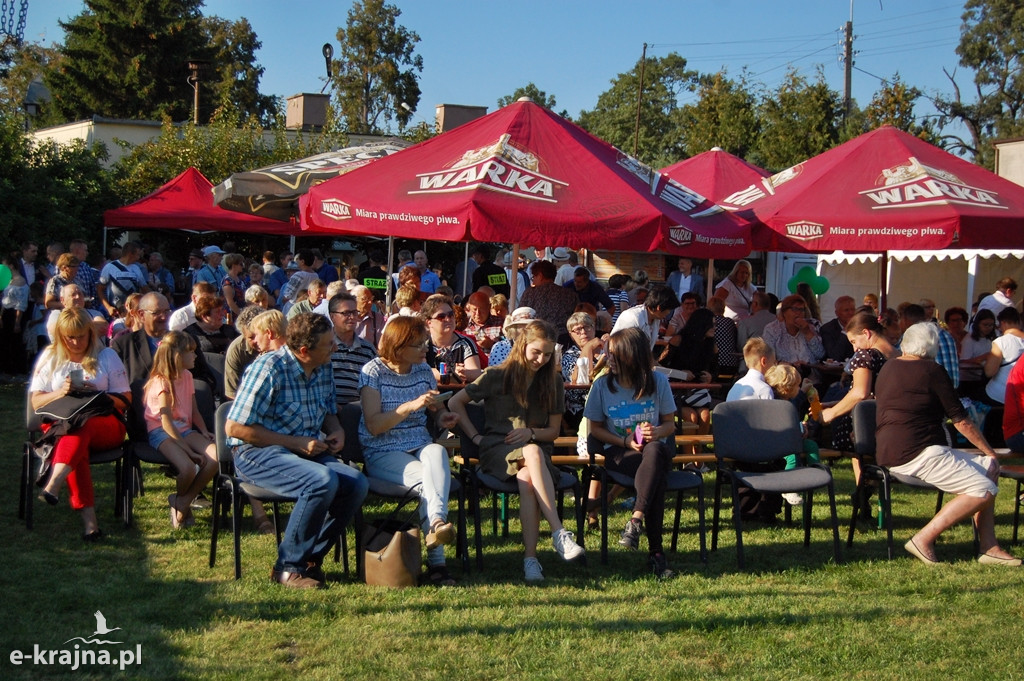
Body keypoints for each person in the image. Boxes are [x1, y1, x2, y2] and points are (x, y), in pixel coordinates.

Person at [225, 313, 369, 588]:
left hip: (304, 451)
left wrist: (336, 429)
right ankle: (288, 567)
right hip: (255, 453)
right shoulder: (268, 368)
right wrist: (296, 443)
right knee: (321, 481)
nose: (335, 348)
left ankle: (310, 560)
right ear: (304, 351)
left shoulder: (323, 365)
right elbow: (235, 429)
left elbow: (328, 410)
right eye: (329, 344)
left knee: (357, 483)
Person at [448, 320, 585, 582]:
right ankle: (558, 532)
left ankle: (530, 560)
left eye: (547, 354)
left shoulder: (553, 380)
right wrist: (475, 436)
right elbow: (455, 402)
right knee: (531, 453)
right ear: (523, 345)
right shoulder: (496, 375)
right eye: (536, 352)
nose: (541, 360)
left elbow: (553, 432)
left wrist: (531, 433)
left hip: (536, 453)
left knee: (526, 477)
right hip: (498, 448)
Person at [875, 322, 1019, 566]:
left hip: (893, 451)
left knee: (987, 470)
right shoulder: (932, 370)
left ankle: (989, 547)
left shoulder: (889, 367)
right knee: (984, 489)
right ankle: (923, 538)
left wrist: (988, 459)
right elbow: (961, 421)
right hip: (919, 453)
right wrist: (990, 451)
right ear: (933, 347)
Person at [358, 316, 460, 586]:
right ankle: (438, 564)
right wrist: (411, 406)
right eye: (419, 345)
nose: (426, 348)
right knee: (430, 482)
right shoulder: (373, 372)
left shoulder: (423, 371)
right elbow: (374, 425)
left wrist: (443, 418)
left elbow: (436, 411)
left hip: (420, 443)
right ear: (399, 346)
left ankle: (436, 523)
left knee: (437, 454)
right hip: (382, 449)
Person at [583, 327, 677, 579]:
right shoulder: (602, 385)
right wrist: (625, 441)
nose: (607, 357)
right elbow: (596, 431)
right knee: (656, 478)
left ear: (631, 355)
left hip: (654, 449)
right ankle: (656, 553)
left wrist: (656, 432)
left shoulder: (658, 382)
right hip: (619, 451)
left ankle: (636, 520)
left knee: (656, 450)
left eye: (613, 353)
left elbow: (670, 424)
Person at [31, 308, 131, 540]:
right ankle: (91, 526)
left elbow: (126, 399)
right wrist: (60, 392)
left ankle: (53, 482)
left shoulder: (106, 356)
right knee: (76, 439)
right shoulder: (51, 358)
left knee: (78, 429)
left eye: (81, 336)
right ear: (61, 336)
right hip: (64, 424)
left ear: (90, 333)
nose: (76, 342)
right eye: (69, 337)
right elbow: (36, 402)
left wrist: (99, 395)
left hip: (104, 423)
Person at [143, 330, 219, 529]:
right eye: (191, 352)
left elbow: (193, 411)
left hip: (184, 430)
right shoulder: (161, 382)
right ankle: (183, 505)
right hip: (162, 431)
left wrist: (202, 431)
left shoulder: (186, 375)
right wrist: (189, 451)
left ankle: (182, 501)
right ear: (178, 356)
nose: (195, 356)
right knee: (187, 467)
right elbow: (166, 421)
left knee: (215, 457)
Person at [764, 363, 822, 506]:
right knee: (792, 457)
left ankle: (814, 472)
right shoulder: (778, 404)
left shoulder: (789, 401)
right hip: (778, 443)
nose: (799, 388)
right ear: (786, 389)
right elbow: (784, 422)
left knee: (812, 446)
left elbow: (795, 411)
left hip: (792, 440)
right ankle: (788, 486)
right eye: (797, 385)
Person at [660, 307, 716, 433]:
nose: (714, 328)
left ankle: (700, 450)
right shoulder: (678, 340)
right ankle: (688, 451)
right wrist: (680, 373)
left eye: (715, 324)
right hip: (676, 390)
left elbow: (715, 369)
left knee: (705, 416)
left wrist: (710, 376)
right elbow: (661, 366)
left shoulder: (711, 345)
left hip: (698, 391)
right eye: (711, 324)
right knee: (691, 416)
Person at [329, 293, 378, 406]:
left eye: (354, 312)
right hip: (329, 409)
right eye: (346, 313)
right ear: (332, 317)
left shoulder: (368, 349)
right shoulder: (324, 346)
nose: (352, 317)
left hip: (359, 409)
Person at [561, 311, 604, 434]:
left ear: (594, 328)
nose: (584, 332)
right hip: (580, 407)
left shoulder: (605, 350)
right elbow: (580, 383)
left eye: (587, 327)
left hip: (607, 403)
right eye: (578, 330)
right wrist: (587, 348)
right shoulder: (569, 356)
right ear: (571, 335)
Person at [422, 294, 482, 384]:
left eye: (451, 315)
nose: (448, 319)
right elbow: (421, 371)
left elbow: (476, 373)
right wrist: (451, 373)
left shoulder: (465, 343)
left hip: (458, 396)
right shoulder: (422, 343)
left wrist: (464, 372)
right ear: (429, 322)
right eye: (441, 317)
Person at [761, 294, 825, 368]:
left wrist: (808, 332)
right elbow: (768, 358)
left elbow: (820, 355)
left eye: (802, 310)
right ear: (784, 312)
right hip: (783, 375)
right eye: (794, 309)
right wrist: (791, 365)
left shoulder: (813, 325)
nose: (799, 313)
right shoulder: (772, 329)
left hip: (811, 374)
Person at [611, 285, 680, 351]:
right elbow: (622, 348)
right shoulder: (632, 317)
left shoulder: (656, 318)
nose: (669, 313)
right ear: (659, 308)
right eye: (669, 310)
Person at [520, 258, 578, 335]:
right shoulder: (570, 294)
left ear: (540, 276)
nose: (532, 280)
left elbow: (521, 315)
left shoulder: (530, 293)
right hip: (563, 337)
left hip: (536, 336)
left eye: (534, 277)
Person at [983, 307, 1024, 405]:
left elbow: (989, 372)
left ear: (1003, 323)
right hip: (1021, 397)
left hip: (999, 394)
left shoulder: (1001, 342)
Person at [96, 241, 148, 319]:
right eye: (137, 255)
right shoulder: (109, 267)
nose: (139, 258)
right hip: (115, 313)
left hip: (133, 313)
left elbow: (145, 289)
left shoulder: (136, 268)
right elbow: (99, 289)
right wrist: (108, 307)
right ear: (130, 254)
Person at [223, 306, 265, 400]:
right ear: (244, 335)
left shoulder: (280, 344)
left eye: (259, 335)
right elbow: (232, 393)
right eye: (251, 337)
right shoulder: (236, 350)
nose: (257, 340)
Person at [463, 291, 503, 358]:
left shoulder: (500, 323)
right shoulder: (463, 324)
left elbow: (509, 348)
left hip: (493, 365)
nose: (478, 313)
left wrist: (492, 344)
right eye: (474, 310)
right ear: (469, 308)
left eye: (482, 309)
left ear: (489, 307)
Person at [820, 296, 856, 362]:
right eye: (846, 310)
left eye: (853, 309)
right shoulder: (827, 329)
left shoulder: (860, 327)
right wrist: (845, 331)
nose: (851, 313)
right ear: (837, 313)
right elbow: (834, 356)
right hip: (836, 371)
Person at [220, 253, 247, 321]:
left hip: (241, 313)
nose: (243, 266)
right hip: (231, 316)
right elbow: (230, 302)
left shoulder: (239, 279)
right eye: (241, 264)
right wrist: (242, 316)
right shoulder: (228, 281)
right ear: (234, 265)